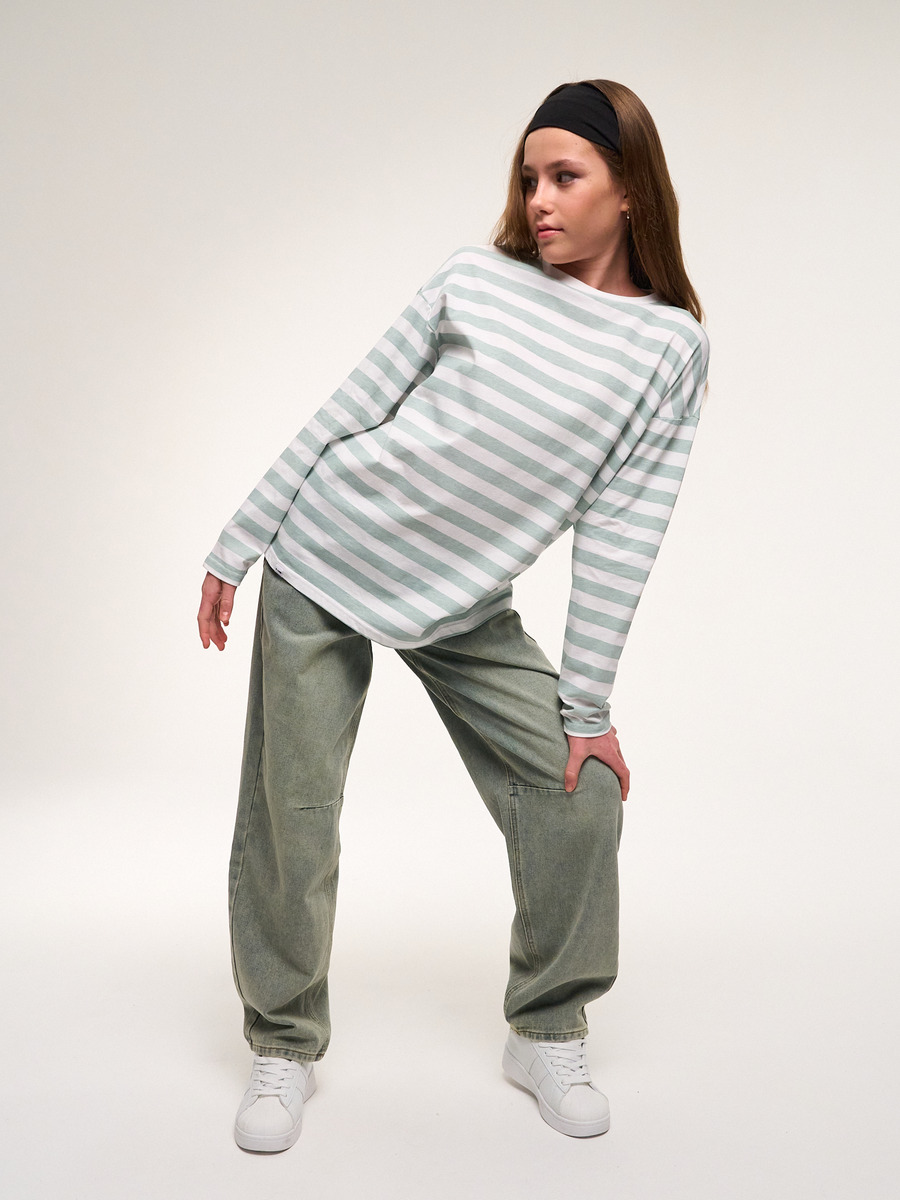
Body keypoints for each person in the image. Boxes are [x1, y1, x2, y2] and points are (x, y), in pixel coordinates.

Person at [197, 78, 708, 1151]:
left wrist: (586, 708)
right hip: (327, 558)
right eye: (529, 177)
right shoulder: (474, 279)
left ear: (630, 189)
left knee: (582, 793)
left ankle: (547, 1026)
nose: (538, 200)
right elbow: (350, 407)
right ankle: (284, 1043)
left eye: (565, 175)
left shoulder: (666, 350)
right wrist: (239, 540)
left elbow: (622, 533)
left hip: (461, 605)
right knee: (293, 818)